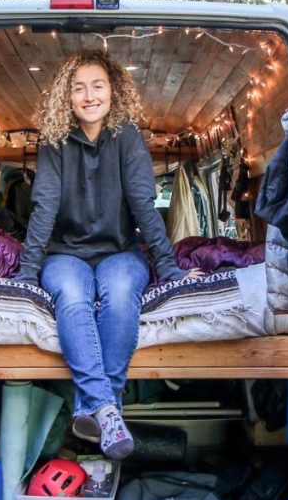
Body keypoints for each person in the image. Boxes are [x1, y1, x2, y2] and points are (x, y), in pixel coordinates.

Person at [14, 49, 198, 459]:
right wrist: (27, 274)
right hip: (65, 253)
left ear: (113, 91)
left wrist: (168, 268)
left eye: (97, 86)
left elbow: (143, 204)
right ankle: (108, 409)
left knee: (118, 294)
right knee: (73, 297)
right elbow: (44, 205)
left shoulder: (127, 136)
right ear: (68, 96)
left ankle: (93, 407)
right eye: (79, 88)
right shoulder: (54, 141)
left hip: (120, 251)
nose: (89, 96)